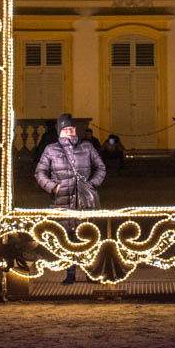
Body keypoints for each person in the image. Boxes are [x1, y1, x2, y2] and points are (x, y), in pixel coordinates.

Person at [34, 113, 106, 285]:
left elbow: (101, 167)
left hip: (86, 200)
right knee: (66, 239)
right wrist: (53, 187)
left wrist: (92, 184)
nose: (69, 132)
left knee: (88, 236)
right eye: (65, 129)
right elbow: (40, 172)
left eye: (71, 129)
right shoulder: (51, 150)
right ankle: (70, 272)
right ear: (59, 131)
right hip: (62, 200)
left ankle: (90, 272)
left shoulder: (87, 147)